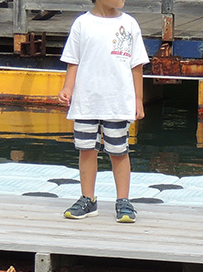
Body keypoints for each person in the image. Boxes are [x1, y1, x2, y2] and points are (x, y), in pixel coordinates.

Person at [58, 0, 147, 223]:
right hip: (86, 101)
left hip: (117, 101)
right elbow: (73, 60)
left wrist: (138, 99)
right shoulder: (82, 23)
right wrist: (68, 88)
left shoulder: (129, 23)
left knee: (119, 150)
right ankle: (88, 198)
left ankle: (123, 200)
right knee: (86, 149)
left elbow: (137, 64)